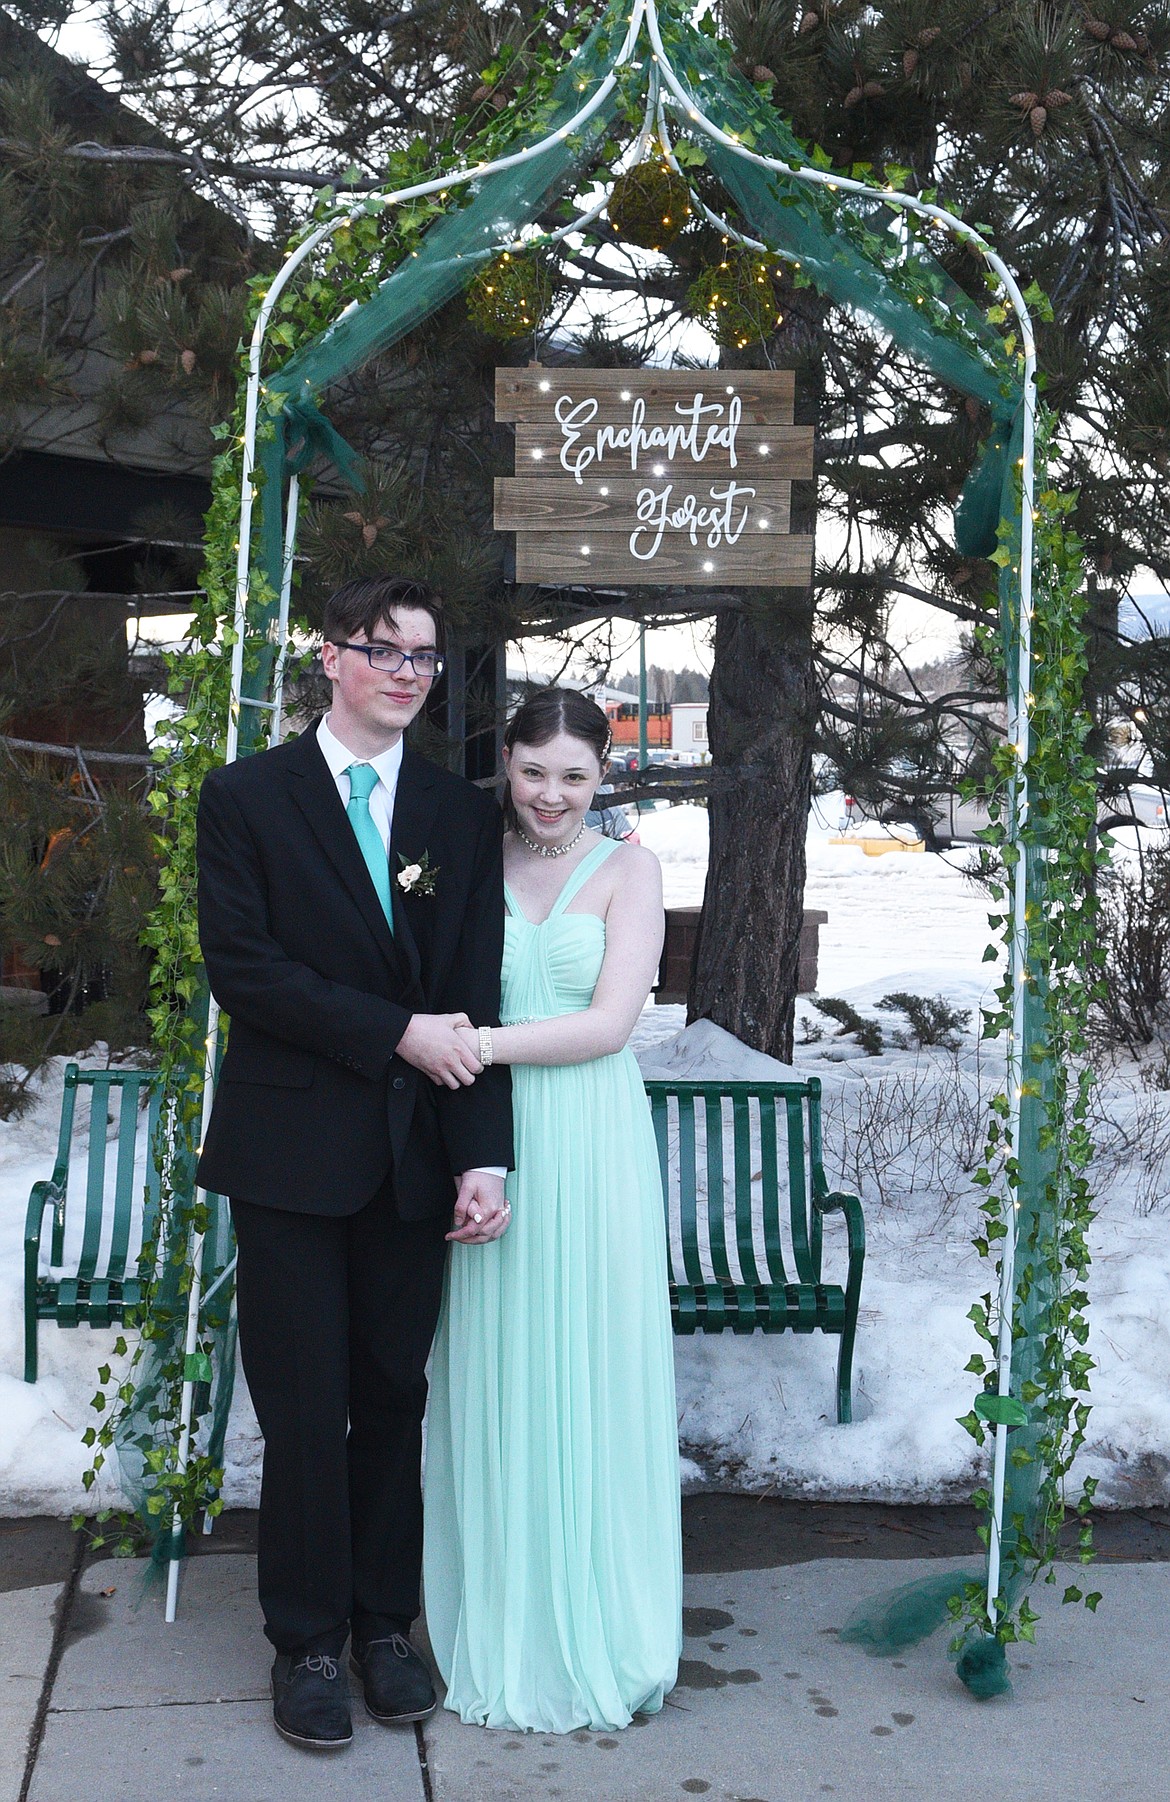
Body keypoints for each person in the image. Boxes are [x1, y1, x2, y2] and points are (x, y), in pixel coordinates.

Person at [195, 575, 513, 1752]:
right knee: (303, 1405)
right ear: (330, 657)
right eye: (384, 649)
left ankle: (387, 1626)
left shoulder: (454, 810)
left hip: (415, 1153)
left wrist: (487, 1158)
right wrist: (392, 1030)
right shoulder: (247, 797)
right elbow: (246, 969)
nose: (406, 671)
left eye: (425, 656)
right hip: (288, 1152)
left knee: (392, 1397)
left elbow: (470, 994)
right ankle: (308, 1642)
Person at [423, 685, 683, 1733]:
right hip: (482, 1141)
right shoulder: (466, 862)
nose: (551, 795)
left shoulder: (630, 868)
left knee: (587, 1365)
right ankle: (501, 1616)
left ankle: (601, 1619)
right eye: (535, 772)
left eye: (575, 775)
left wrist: (472, 1042)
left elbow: (611, 1022)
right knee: (494, 1370)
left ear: (603, 777)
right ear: (509, 769)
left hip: (587, 1142)